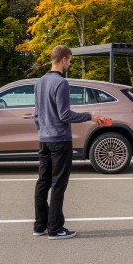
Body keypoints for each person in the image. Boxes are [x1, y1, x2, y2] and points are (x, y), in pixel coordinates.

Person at [33, 45, 104, 240]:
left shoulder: (39, 82)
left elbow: (37, 115)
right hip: (59, 140)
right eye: (70, 60)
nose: (69, 64)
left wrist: (43, 131)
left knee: (43, 182)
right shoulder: (61, 83)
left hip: (44, 139)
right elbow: (64, 115)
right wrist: (90, 116)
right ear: (63, 59)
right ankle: (55, 228)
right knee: (58, 184)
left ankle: (40, 225)